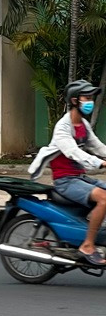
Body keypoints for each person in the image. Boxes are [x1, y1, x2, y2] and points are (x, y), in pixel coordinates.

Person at [42, 79, 106, 265]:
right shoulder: (63, 127)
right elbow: (74, 152)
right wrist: (100, 163)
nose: (90, 102)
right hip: (65, 180)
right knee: (103, 198)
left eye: (91, 98)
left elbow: (98, 146)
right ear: (74, 100)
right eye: (86, 98)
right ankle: (87, 245)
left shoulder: (83, 125)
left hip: (79, 178)